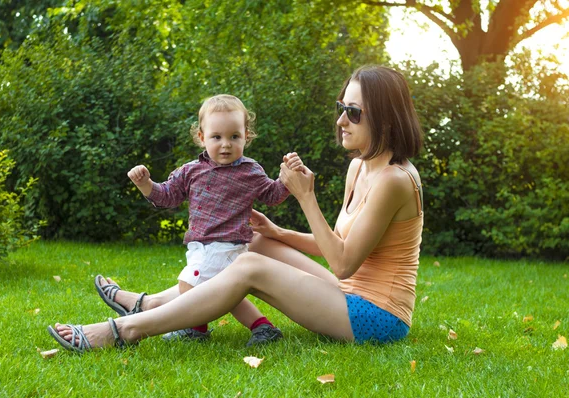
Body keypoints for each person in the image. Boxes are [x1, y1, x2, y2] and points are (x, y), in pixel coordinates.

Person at [48, 65, 424, 353]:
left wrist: (305, 197)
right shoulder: (360, 165)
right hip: (346, 292)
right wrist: (277, 233)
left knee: (246, 264)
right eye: (342, 108)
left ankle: (125, 330)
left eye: (354, 112)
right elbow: (341, 242)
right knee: (252, 244)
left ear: (386, 119)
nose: (341, 120)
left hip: (376, 317)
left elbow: (343, 262)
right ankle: (151, 304)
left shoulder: (394, 180)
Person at [95, 94, 304, 347]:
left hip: (228, 247)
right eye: (217, 137)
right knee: (224, 293)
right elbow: (167, 196)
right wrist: (146, 185)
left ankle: (197, 327)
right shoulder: (191, 171)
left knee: (189, 283)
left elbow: (272, 195)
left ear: (246, 136)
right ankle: (262, 328)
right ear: (202, 137)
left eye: (234, 137)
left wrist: (287, 179)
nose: (225, 144)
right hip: (201, 247)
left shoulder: (250, 171)